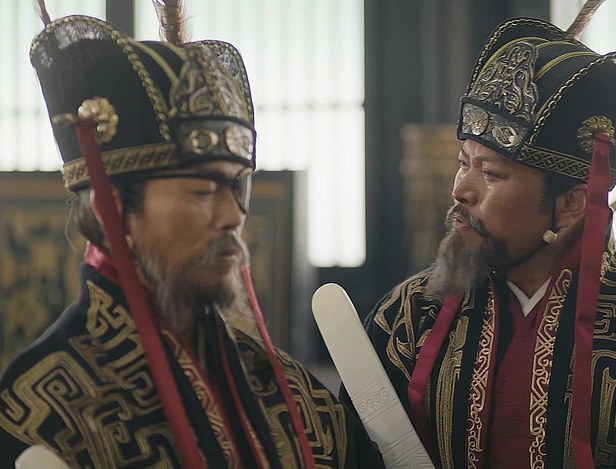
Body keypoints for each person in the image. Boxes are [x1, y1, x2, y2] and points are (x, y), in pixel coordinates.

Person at [360, 17, 616, 468]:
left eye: (491, 173)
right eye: (463, 162)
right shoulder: (410, 313)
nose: (461, 190)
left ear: (570, 204)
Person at [0, 12, 382, 469]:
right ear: (112, 209)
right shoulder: (38, 417)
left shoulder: (301, 400)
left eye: (237, 187)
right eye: (203, 191)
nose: (234, 216)